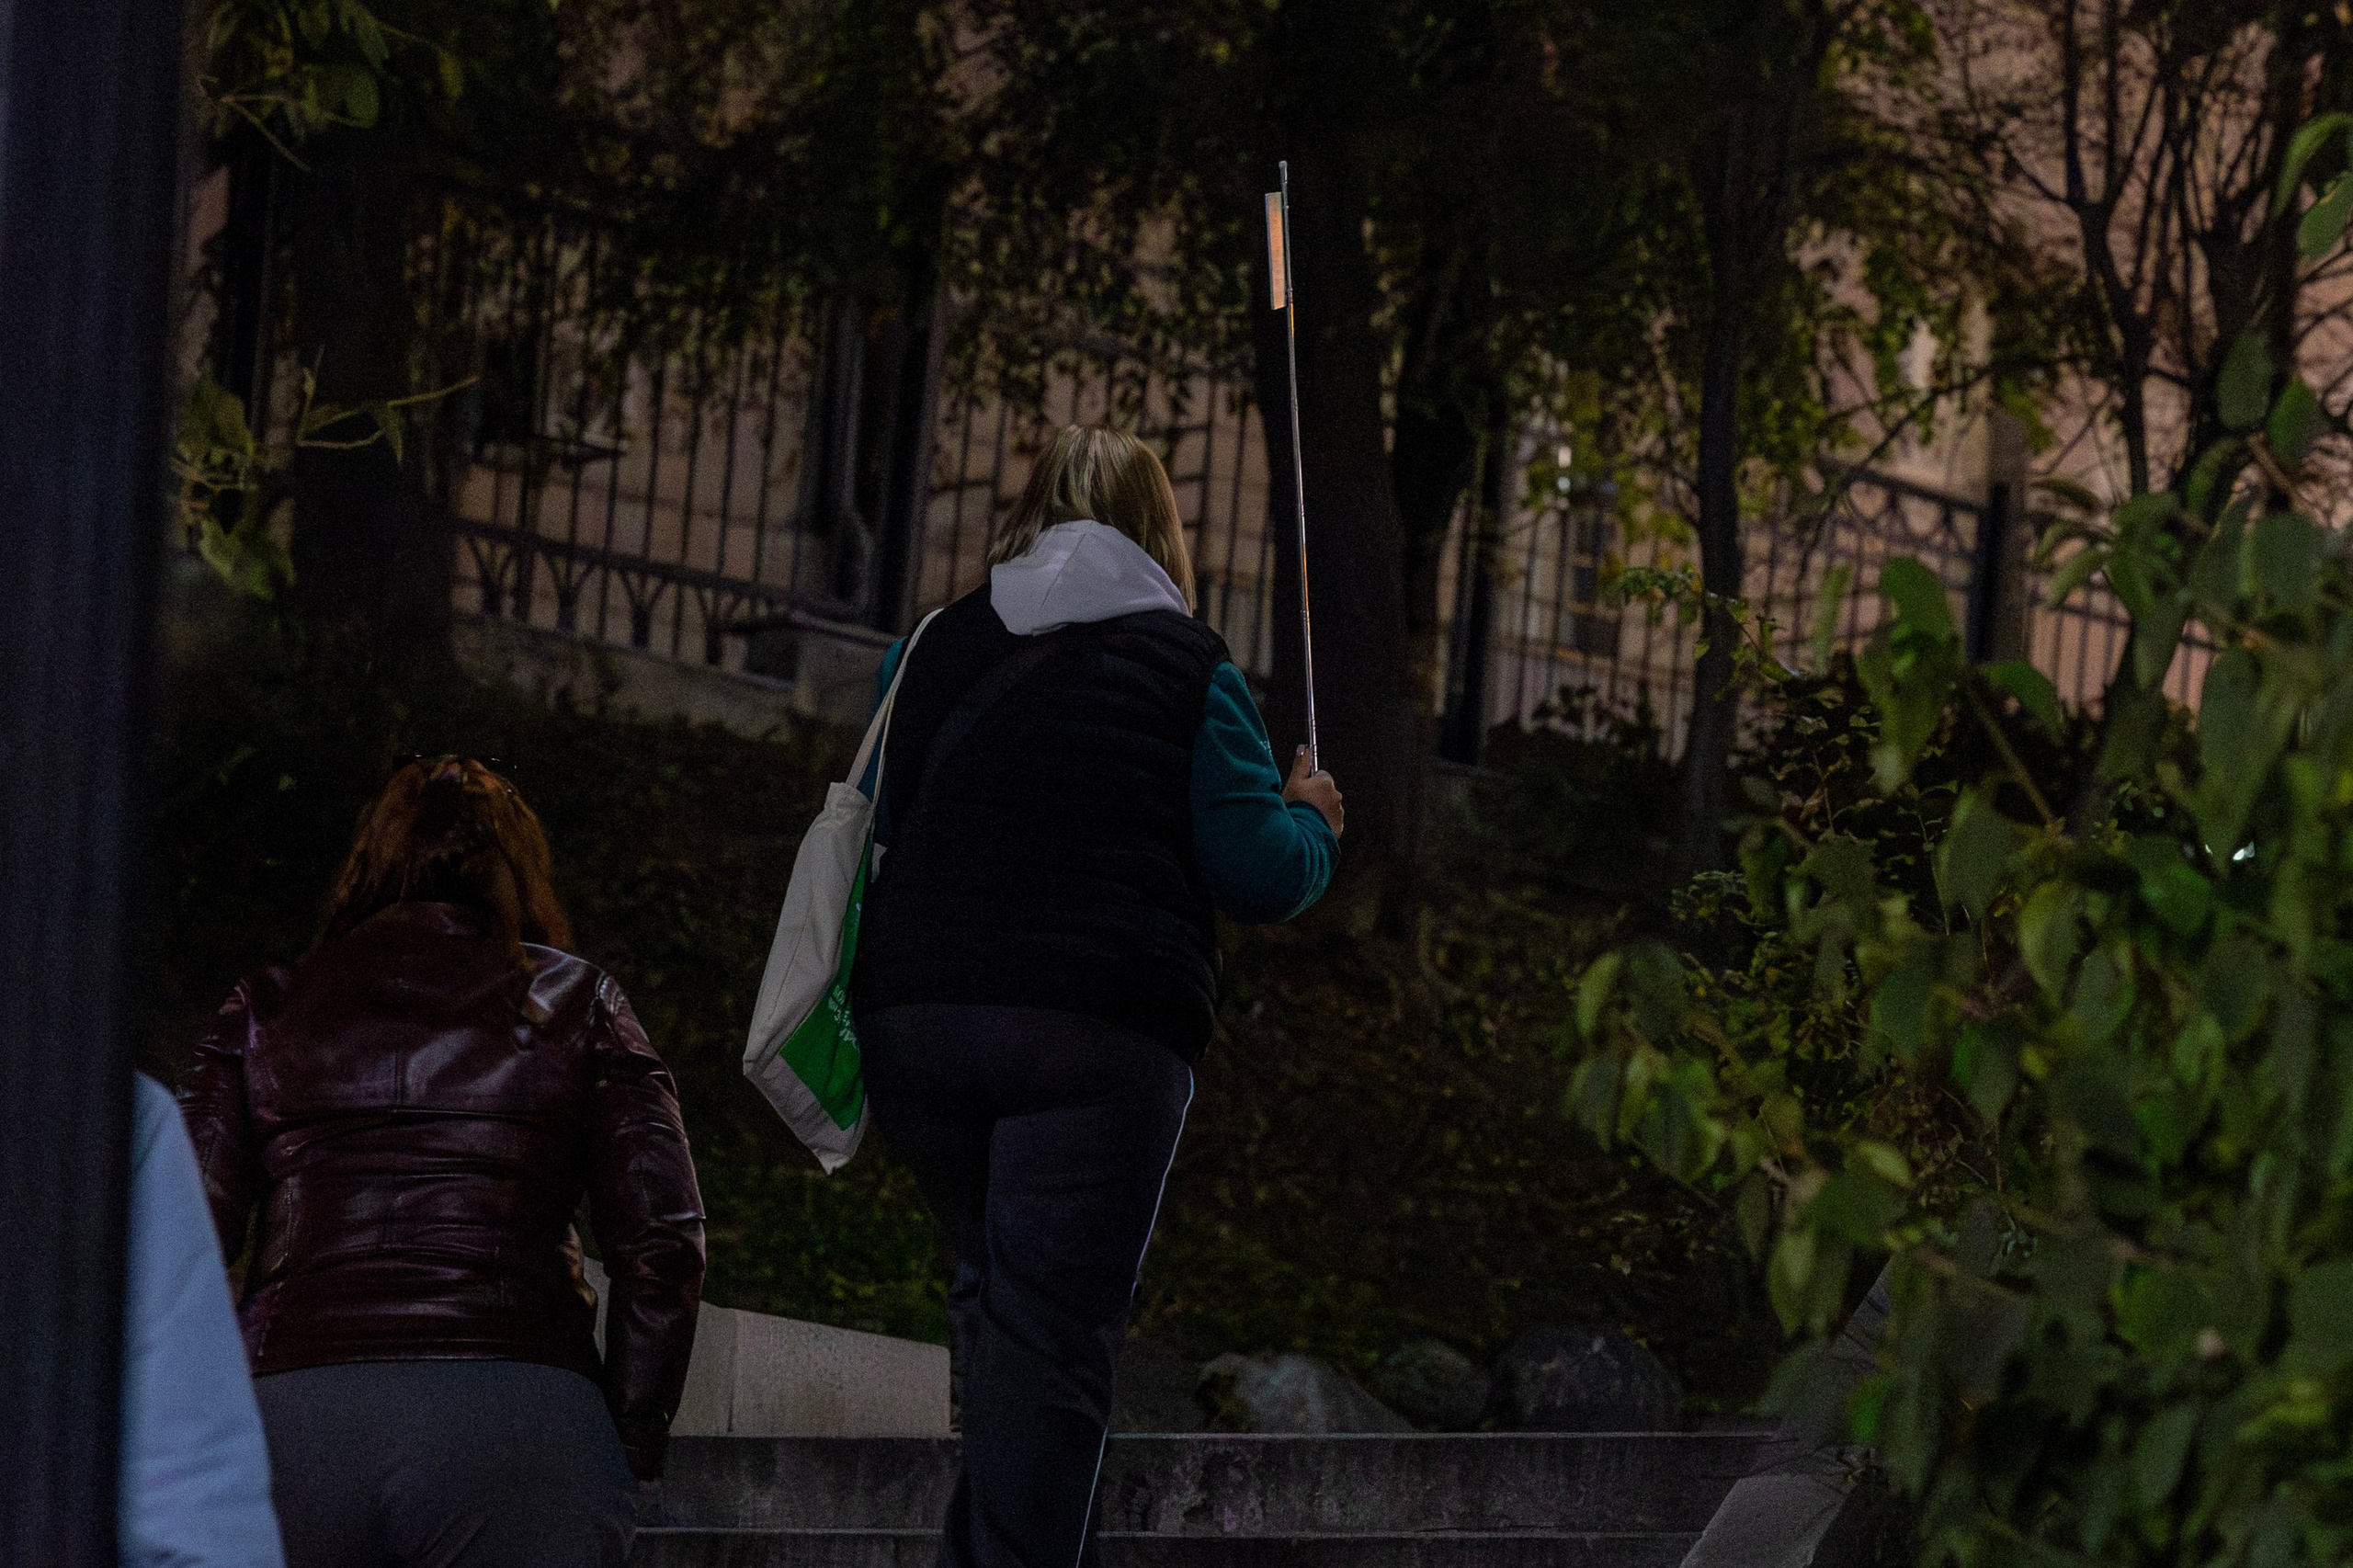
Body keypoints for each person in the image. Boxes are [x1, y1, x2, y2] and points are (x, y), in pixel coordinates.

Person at [851, 426, 1343, 1568]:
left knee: (996, 1302)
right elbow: (1258, 872)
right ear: (1159, 529)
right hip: (1094, 1034)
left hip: (918, 1020)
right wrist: (1312, 813)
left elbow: (882, 821)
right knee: (1052, 1334)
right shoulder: (1190, 666)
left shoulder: (925, 649)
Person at [177, 756, 706, 1568]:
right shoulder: (578, 999)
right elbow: (663, 1239)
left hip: (295, 1408)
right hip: (520, 1409)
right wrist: (631, 1434)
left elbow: (183, 1234)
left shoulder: (267, 1005)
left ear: (369, 863)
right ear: (520, 868)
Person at [120, 1070, 286, 1568]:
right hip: (493, 1356)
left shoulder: (268, 998)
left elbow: (214, 1193)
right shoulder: (94, 1106)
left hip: (297, 1355)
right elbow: (199, 1505)